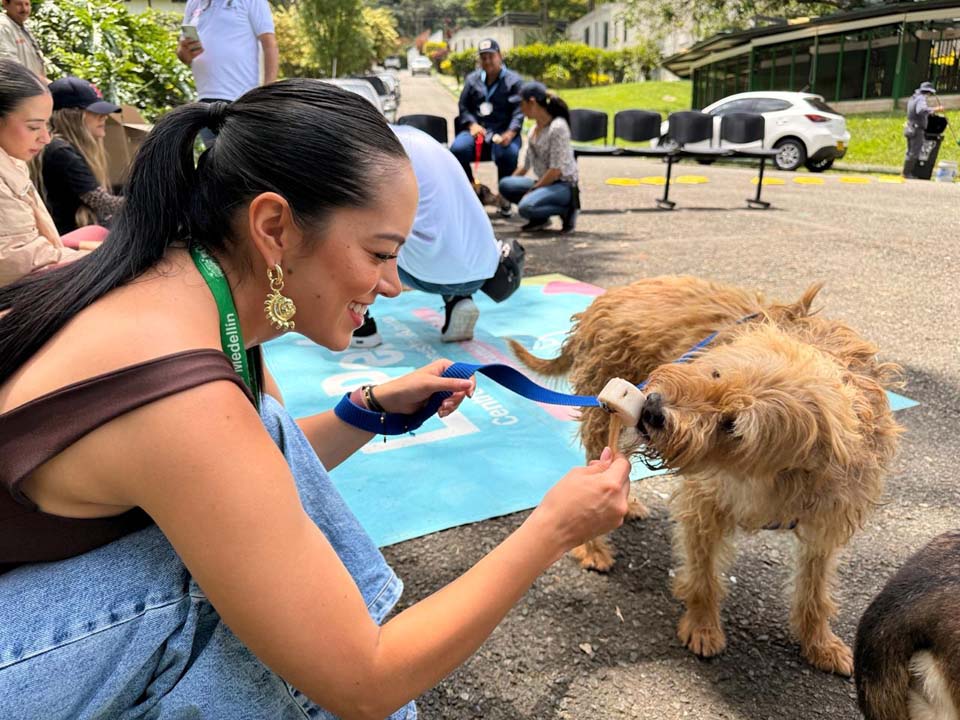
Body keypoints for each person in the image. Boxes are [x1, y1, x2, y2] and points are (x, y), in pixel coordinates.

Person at [0, 80, 631, 719]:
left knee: (265, 520)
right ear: (274, 226)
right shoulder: (184, 397)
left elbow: (247, 469)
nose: (391, 285)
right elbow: (366, 683)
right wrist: (554, 527)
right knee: (233, 612)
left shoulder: (182, 285)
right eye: (380, 253)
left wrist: (370, 407)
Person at [352, 123, 502, 348]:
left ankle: (361, 326)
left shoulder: (375, 150)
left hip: (431, 272)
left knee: (342, 228)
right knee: (438, 224)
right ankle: (458, 300)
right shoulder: (421, 139)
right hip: (481, 270)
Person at [0, 60, 96, 286]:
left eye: (46, 125)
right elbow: (17, 262)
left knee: (96, 232)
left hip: (45, 257)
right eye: (34, 127)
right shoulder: (63, 154)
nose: (45, 137)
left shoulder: (13, 162)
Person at [177, 0, 278, 147]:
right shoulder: (194, 3)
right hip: (205, 102)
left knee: (241, 162)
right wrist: (184, 51)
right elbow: (183, 54)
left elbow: (269, 44)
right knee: (212, 164)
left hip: (241, 100)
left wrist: (268, 94)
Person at [40, 76, 125, 234]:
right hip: (70, 238)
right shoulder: (62, 152)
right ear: (72, 116)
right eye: (96, 113)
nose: (104, 117)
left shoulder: (63, 147)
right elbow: (101, 202)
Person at [449, 38, 523, 210]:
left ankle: (505, 198)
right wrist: (472, 125)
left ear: (500, 56)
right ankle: (473, 191)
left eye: (491, 56)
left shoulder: (514, 81)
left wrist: (510, 134)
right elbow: (463, 106)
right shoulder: (472, 80)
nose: (487, 61)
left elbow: (519, 112)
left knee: (508, 154)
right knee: (457, 150)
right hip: (477, 131)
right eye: (483, 57)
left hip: (503, 132)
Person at [498, 81, 579, 233]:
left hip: (563, 185)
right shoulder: (534, 130)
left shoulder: (558, 127)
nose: (521, 109)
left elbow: (556, 171)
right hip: (545, 183)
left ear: (532, 102)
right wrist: (500, 195)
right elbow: (525, 165)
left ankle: (568, 209)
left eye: (522, 104)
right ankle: (540, 218)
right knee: (506, 184)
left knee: (525, 207)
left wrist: (533, 190)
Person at [903, 81, 944, 179]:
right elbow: (920, 110)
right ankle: (907, 173)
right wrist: (935, 109)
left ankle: (905, 172)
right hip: (917, 129)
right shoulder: (921, 99)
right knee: (914, 152)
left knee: (909, 151)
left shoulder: (913, 98)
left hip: (910, 127)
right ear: (928, 92)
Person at [0, 0, 46, 83]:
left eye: (27, 4)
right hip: (19, 90)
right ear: (5, 4)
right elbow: (10, 65)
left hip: (33, 88)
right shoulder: (3, 27)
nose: (24, 9)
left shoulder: (22, 26)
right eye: (19, 4)